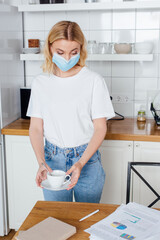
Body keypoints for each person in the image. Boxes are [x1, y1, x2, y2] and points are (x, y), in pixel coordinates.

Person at [27, 20, 115, 203]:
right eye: (60, 52)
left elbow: (100, 128)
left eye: (73, 52)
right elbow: (36, 128)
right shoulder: (40, 83)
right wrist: (41, 163)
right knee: (58, 220)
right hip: (52, 160)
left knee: (86, 219)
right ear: (50, 48)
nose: (67, 58)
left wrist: (80, 163)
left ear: (81, 50)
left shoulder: (93, 81)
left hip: (87, 160)